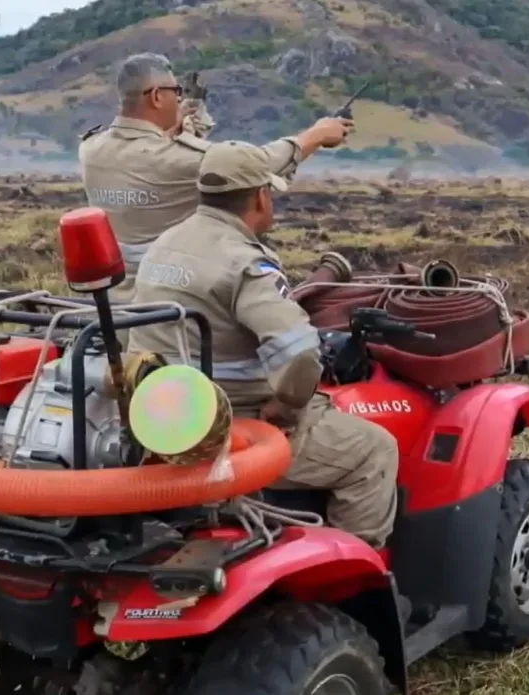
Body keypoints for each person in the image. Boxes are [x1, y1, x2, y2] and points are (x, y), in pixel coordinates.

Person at [127, 140, 398, 549]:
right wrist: (287, 406)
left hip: (162, 415)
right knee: (374, 449)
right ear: (260, 196)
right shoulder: (245, 263)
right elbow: (300, 355)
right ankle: (353, 576)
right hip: (231, 420)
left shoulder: (164, 245)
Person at [78, 52, 353, 308]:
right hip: (175, 297)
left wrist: (184, 118)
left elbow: (145, 150)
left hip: (117, 299)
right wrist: (316, 135)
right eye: (176, 92)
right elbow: (255, 163)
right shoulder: (177, 160)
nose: (178, 98)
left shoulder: (90, 148)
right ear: (157, 97)